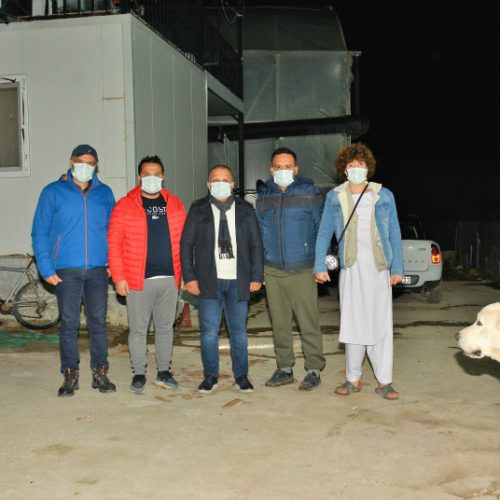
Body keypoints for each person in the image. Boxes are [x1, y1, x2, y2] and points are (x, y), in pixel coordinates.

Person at [314, 143, 404, 400]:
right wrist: (319, 265)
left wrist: (397, 267)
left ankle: (385, 381)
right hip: (351, 267)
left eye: (360, 164)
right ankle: (352, 378)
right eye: (351, 165)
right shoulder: (335, 196)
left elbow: (394, 232)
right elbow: (324, 232)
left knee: (380, 324)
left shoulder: (384, 195)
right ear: (344, 170)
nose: (356, 169)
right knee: (352, 323)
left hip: (379, 268)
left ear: (368, 168)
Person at [31, 144, 116, 397]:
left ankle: (100, 372)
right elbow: (39, 231)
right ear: (71, 162)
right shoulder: (52, 192)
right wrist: (46, 267)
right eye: (81, 161)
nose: (85, 166)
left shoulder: (105, 193)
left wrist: (114, 262)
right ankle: (70, 373)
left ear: (96, 166)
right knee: (69, 323)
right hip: (66, 269)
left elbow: (114, 230)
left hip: (98, 269)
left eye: (91, 162)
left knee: (98, 322)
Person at [180, 165, 263, 393]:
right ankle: (210, 376)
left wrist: (257, 275)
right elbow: (186, 245)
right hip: (208, 281)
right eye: (215, 180)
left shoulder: (245, 209)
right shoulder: (198, 209)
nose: (220, 183)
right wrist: (189, 277)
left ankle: (241, 376)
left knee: (239, 332)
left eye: (225, 180)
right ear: (208, 185)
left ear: (233, 184)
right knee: (209, 333)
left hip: (239, 280)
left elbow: (256, 244)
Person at [107, 156, 186, 394]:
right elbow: (114, 243)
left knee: (165, 329)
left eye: (156, 174)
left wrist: (185, 273)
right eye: (146, 174)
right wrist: (119, 277)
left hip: (170, 279)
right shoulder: (125, 205)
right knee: (138, 330)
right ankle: (139, 373)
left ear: (163, 176)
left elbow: (185, 241)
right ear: (139, 177)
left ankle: (164, 371)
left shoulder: (174, 203)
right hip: (137, 280)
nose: (152, 178)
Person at [256, 147, 325, 391]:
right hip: (272, 270)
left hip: (302, 269)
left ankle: (314, 369)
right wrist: (260, 268)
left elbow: (321, 230)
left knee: (308, 322)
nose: (283, 170)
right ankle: (284, 368)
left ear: (295, 169)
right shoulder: (264, 196)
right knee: (279, 323)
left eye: (288, 166)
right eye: (278, 166)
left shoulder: (309, 192)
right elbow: (258, 234)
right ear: (271, 169)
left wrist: (320, 264)